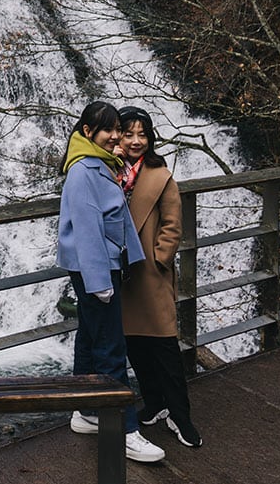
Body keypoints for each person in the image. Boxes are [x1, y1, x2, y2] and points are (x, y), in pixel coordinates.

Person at [56, 100, 164, 464]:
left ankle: (86, 411)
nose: (117, 135)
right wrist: (99, 280)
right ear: (88, 132)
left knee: (90, 337)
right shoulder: (83, 171)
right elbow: (86, 228)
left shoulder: (98, 163)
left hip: (101, 266)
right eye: (109, 130)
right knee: (111, 348)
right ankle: (126, 430)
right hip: (96, 268)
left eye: (118, 128)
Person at [117, 105, 203, 448]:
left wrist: (159, 259)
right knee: (135, 346)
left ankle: (181, 417)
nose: (137, 140)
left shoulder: (160, 174)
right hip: (121, 274)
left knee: (165, 346)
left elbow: (172, 225)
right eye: (129, 133)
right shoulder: (109, 170)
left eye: (143, 133)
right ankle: (154, 404)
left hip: (149, 273)